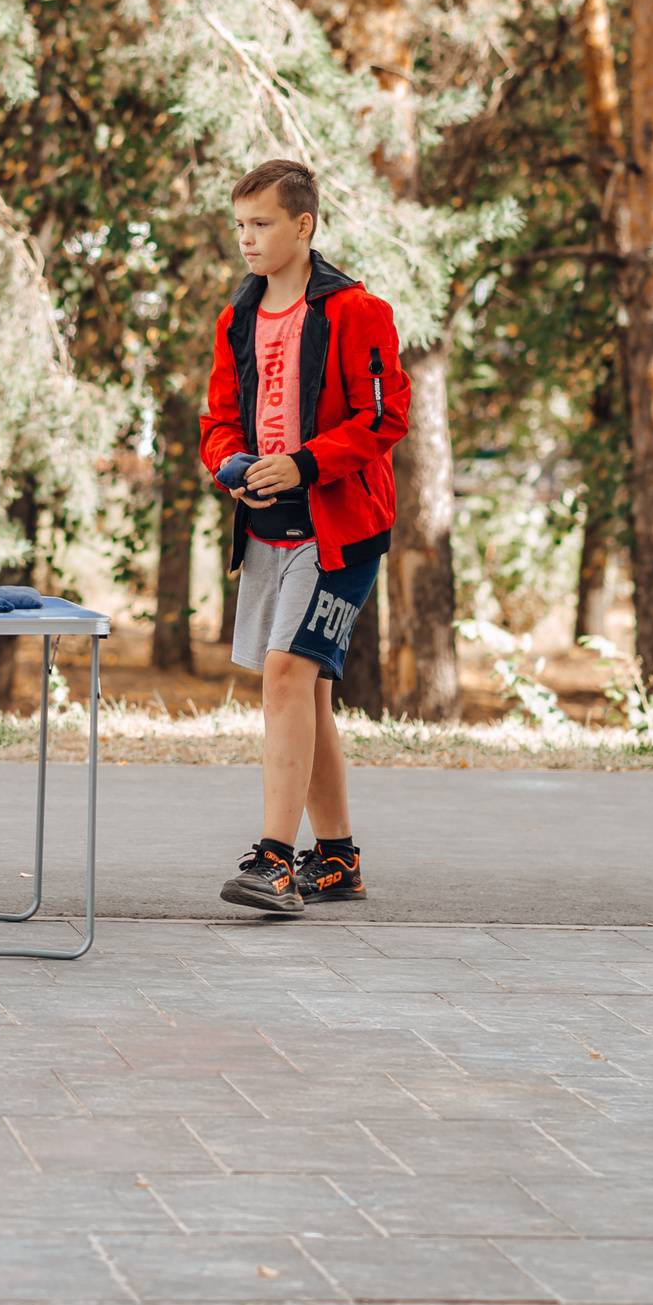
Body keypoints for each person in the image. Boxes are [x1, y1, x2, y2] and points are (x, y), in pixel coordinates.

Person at [199, 158, 410, 916]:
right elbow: (218, 419)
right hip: (268, 530)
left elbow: (384, 417)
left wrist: (305, 463)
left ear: (303, 225)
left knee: (286, 673)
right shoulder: (238, 318)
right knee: (308, 691)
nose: (247, 239)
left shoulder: (359, 311)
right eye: (240, 225)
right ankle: (338, 860)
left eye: (261, 224)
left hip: (341, 530)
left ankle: (274, 861)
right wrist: (231, 464)